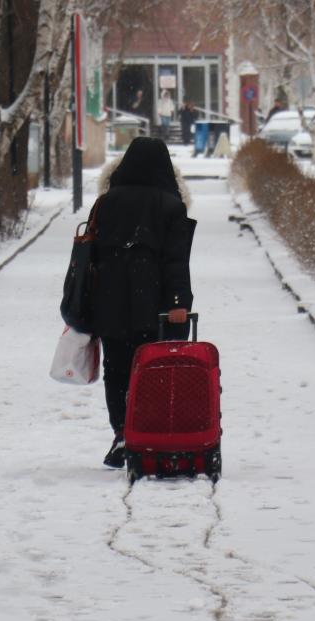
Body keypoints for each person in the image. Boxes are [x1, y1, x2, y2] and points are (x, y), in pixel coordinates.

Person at [89, 137, 196, 468]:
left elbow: (92, 254)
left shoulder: (106, 204)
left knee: (116, 369)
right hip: (155, 304)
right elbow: (176, 261)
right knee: (154, 370)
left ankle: (122, 432)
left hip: (109, 301)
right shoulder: (171, 206)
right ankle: (149, 433)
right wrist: (178, 301)